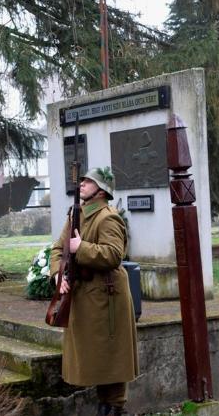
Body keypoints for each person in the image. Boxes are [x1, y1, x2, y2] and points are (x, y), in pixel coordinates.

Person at [49, 167, 138, 416]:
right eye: (83, 180)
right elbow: (58, 249)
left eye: (88, 181)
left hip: (106, 297)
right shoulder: (76, 215)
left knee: (112, 356)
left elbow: (113, 255)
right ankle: (105, 406)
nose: (82, 184)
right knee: (98, 358)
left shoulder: (108, 217)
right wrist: (58, 274)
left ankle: (115, 408)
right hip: (85, 297)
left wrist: (81, 247)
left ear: (101, 189)